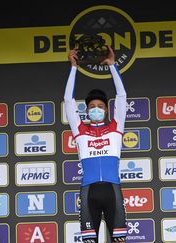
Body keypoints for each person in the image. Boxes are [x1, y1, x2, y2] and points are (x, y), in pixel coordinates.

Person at [64, 47, 127, 243]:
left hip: (112, 191)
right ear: (86, 111)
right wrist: (73, 68)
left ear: (107, 110)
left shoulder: (116, 128)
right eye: (92, 107)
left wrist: (112, 66)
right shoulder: (80, 130)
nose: (96, 109)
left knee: (119, 240)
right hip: (88, 191)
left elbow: (122, 95)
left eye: (100, 106)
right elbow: (68, 99)